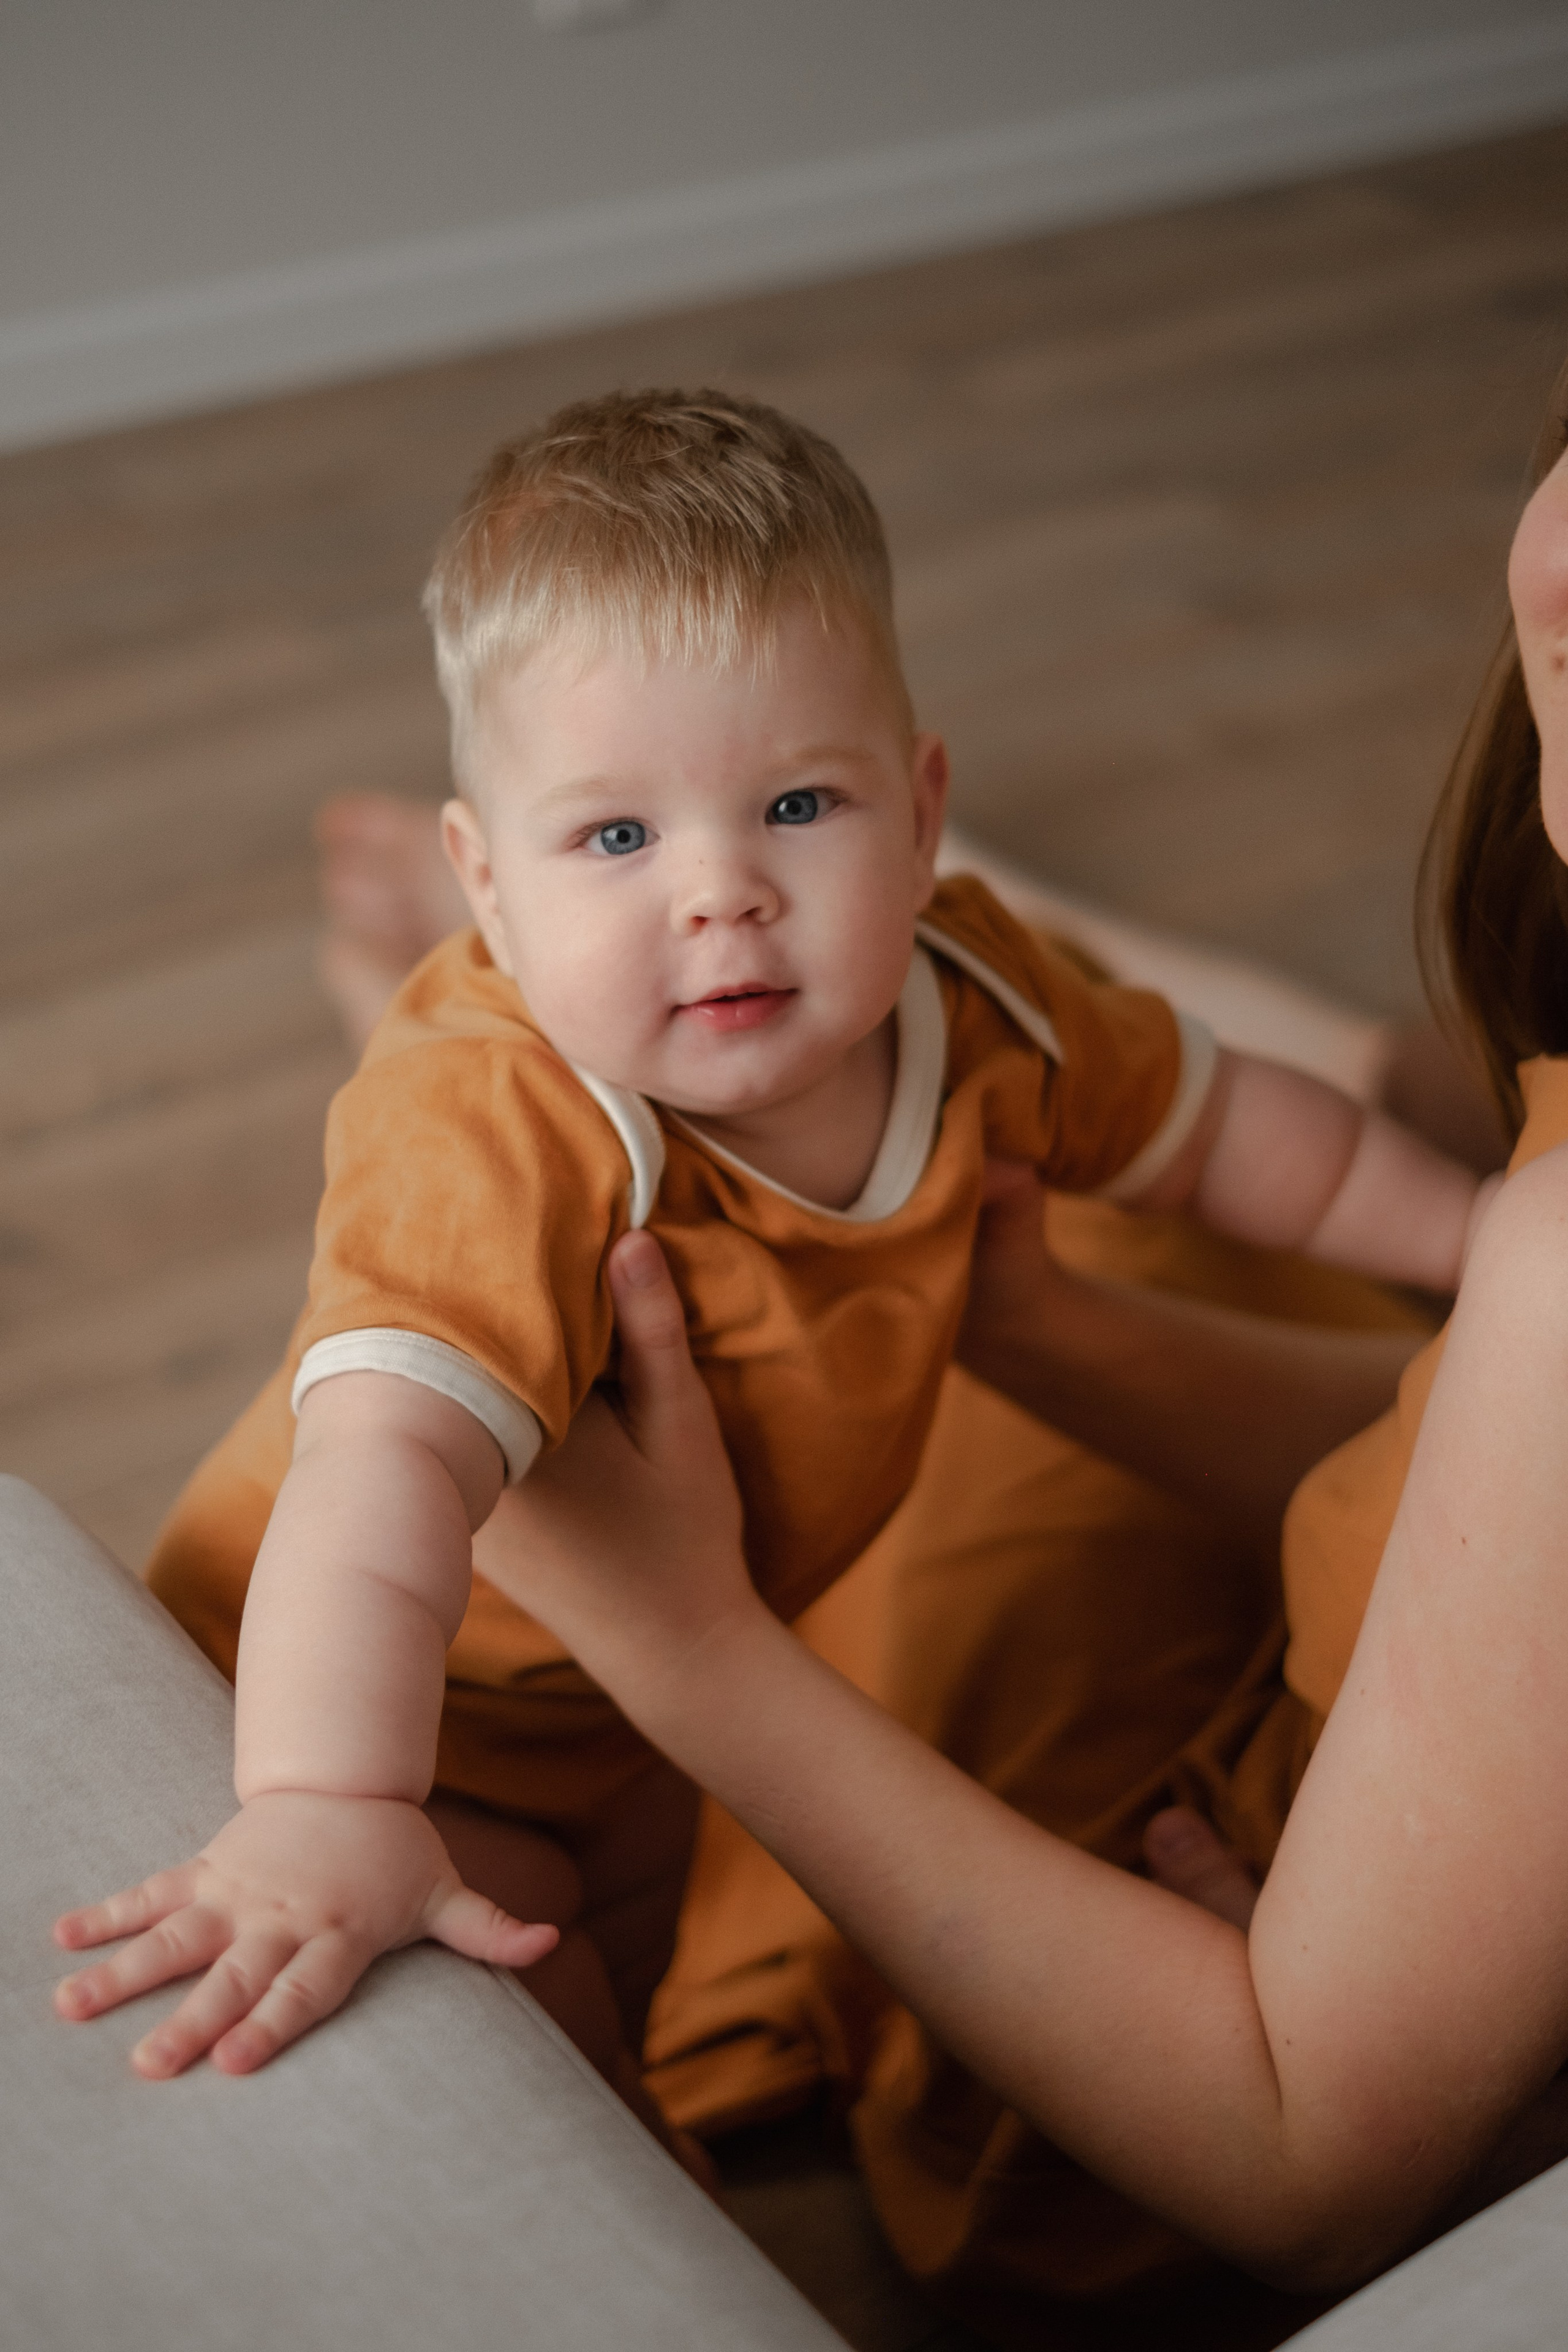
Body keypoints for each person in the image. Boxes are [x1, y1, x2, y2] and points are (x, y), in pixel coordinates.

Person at [51, 391, 1481, 2191]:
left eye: (797, 804)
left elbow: (1237, 1134)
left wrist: (1470, 1243)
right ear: (486, 891)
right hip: (378, 1690)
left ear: (925, 809)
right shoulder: (495, 1116)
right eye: (618, 840)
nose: (724, 893)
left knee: (637, 1987)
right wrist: (332, 1809)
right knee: (536, 2033)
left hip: (650, 1692)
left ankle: (666, 2198)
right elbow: (383, 1478)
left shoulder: (982, 995)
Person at [369, 357, 1568, 2336]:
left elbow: (1303, 2156)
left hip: (1188, 1977)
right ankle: (719, 947)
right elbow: (1477, 1458)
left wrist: (685, 1643)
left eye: (791, 806)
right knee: (1065, 1107)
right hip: (1345, 1540)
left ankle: (552, 980)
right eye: (617, 839)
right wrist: (1048, 1331)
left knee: (1039, 1104)